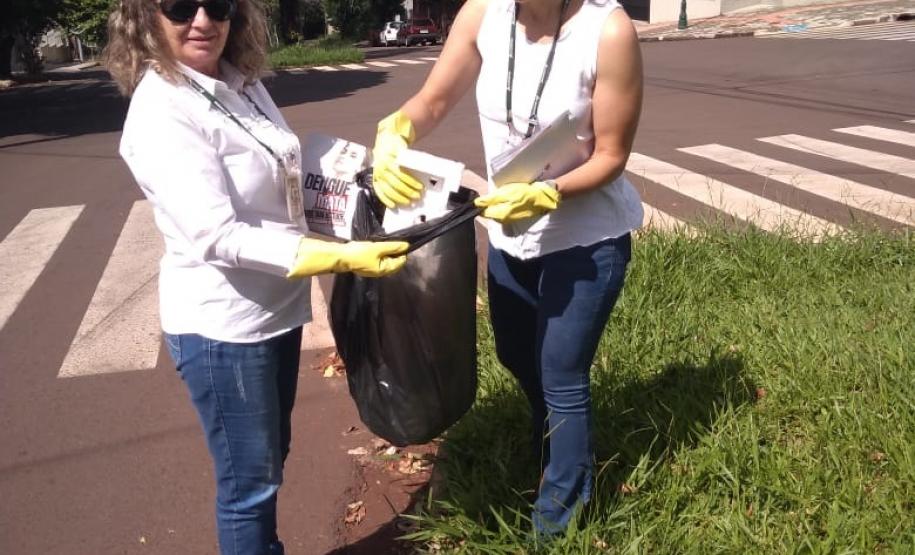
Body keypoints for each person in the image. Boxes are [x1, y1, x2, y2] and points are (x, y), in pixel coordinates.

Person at [104, 1, 408, 553]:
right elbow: (216, 235)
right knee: (248, 487)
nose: (202, 20)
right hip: (225, 330)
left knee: (270, 461)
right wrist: (335, 258)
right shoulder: (162, 109)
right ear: (145, 15)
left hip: (275, 311)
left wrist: (354, 190)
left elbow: (283, 175)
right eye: (179, 5)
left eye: (217, 4)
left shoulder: (237, 83)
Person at [371, 0, 644, 536]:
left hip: (586, 239)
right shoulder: (483, 14)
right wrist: (396, 131)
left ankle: (558, 522)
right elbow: (434, 97)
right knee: (518, 357)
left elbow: (611, 155)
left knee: (562, 374)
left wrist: (547, 194)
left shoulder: (607, 31)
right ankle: (559, 448)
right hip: (510, 234)